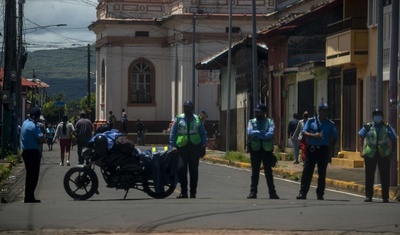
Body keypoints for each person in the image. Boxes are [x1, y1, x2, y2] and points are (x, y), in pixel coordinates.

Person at [296, 103, 338, 200]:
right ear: (319, 111)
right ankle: (303, 193)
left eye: (326, 111)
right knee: (307, 172)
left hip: (323, 150)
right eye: (323, 110)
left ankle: (320, 194)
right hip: (312, 149)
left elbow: (335, 137)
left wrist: (330, 148)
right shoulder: (311, 121)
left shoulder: (330, 124)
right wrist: (314, 136)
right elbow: (304, 133)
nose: (325, 113)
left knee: (322, 173)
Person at [358, 108, 397, 203]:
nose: (377, 117)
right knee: (369, 175)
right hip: (370, 153)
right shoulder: (368, 127)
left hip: (383, 154)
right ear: (373, 117)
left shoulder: (387, 127)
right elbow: (361, 137)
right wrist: (361, 151)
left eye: (379, 115)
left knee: (385, 176)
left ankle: (385, 197)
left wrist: (392, 152)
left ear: (382, 117)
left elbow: (394, 139)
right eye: (376, 115)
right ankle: (368, 196)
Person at [170, 101, 207, 199]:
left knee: (193, 170)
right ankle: (183, 192)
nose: (187, 109)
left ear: (192, 108)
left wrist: (203, 145)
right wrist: (172, 146)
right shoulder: (178, 119)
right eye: (185, 107)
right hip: (182, 148)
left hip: (194, 147)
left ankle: (193, 192)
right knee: (181, 169)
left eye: (189, 107)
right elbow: (173, 134)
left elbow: (203, 133)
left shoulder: (197, 119)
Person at [247, 103, 279, 199]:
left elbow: (270, 134)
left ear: (264, 113)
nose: (257, 114)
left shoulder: (269, 122)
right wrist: (261, 133)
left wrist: (257, 134)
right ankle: (253, 192)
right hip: (255, 149)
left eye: (259, 112)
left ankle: (272, 193)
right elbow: (249, 132)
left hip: (266, 150)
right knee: (255, 172)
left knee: (268, 172)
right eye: (256, 112)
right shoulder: (251, 121)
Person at [20, 106, 46, 203]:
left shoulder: (25, 123)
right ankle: (30, 197)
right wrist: (42, 130)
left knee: (29, 175)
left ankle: (28, 195)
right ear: (37, 117)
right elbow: (42, 139)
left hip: (26, 152)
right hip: (33, 153)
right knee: (34, 176)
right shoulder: (34, 127)